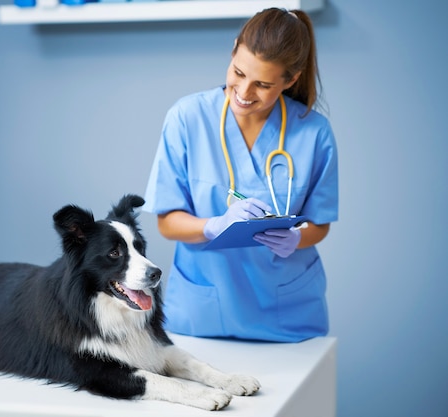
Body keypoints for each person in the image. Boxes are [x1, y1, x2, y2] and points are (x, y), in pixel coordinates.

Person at [143, 8, 338, 343]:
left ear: (290, 80)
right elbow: (166, 221)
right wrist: (211, 226)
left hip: (286, 316)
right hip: (201, 315)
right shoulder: (187, 118)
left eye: (263, 84)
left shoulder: (314, 133)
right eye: (238, 72)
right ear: (233, 49)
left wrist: (296, 239)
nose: (245, 92)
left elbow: (320, 225)